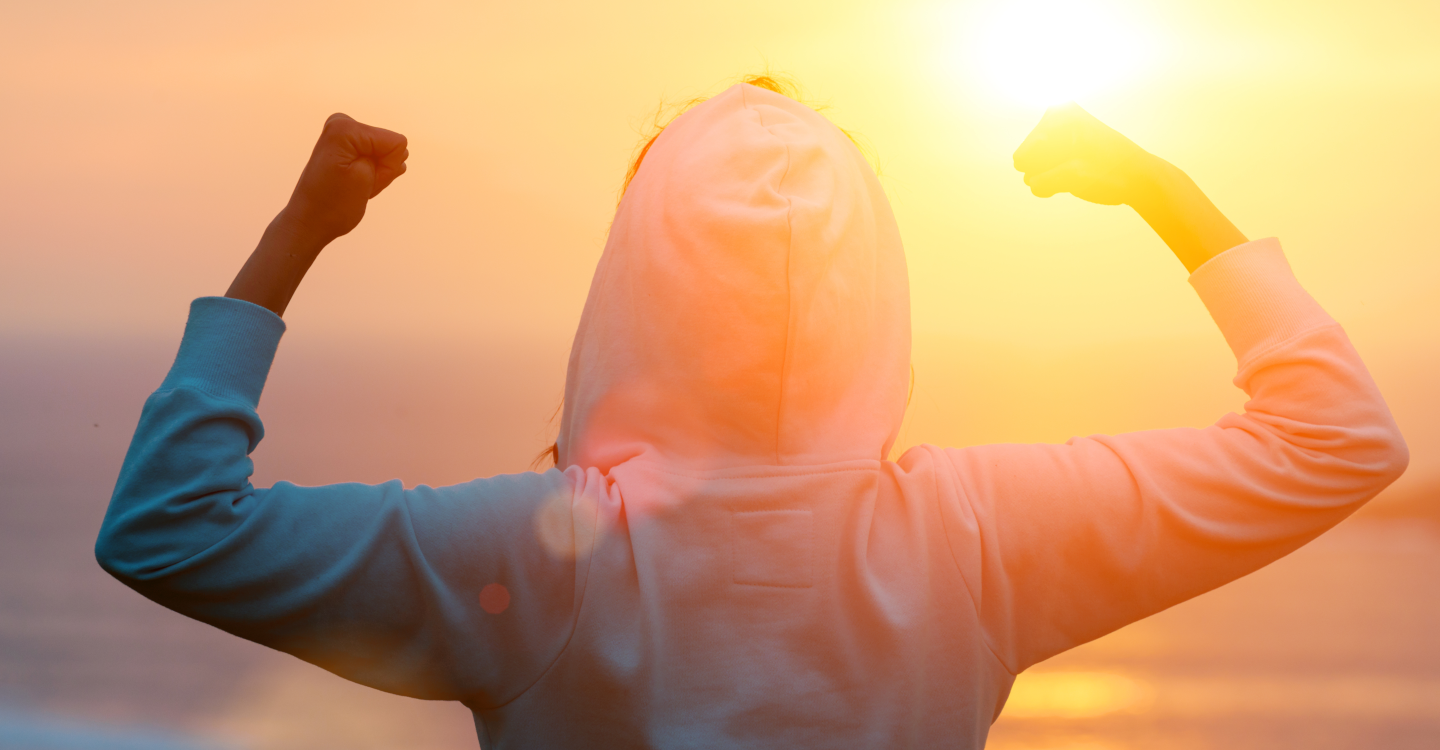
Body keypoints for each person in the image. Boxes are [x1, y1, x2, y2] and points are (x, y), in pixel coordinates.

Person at [96, 77, 1408, 749]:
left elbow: (165, 528)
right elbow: (1343, 435)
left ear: (634, 283)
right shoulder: (980, 537)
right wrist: (1163, 192)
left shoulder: (530, 556)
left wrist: (296, 235)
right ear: (875, 285)